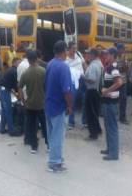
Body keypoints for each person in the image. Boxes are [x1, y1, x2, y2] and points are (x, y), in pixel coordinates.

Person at [45, 40, 72, 173]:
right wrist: (69, 105)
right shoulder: (64, 67)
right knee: (57, 136)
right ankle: (54, 163)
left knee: (52, 135)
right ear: (64, 51)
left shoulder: (50, 64)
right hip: (58, 106)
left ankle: (57, 159)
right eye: (67, 50)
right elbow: (66, 90)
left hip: (49, 104)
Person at [19, 49, 48, 154]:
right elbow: (48, 86)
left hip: (30, 105)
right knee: (45, 125)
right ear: (36, 58)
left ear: (28, 60)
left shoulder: (25, 73)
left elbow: (20, 88)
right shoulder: (43, 71)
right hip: (42, 104)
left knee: (31, 127)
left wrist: (23, 101)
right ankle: (48, 145)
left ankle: (34, 147)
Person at [100, 47, 123, 161]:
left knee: (112, 127)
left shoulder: (113, 68)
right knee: (108, 126)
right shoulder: (109, 67)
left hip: (111, 102)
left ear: (113, 55)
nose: (106, 56)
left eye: (108, 54)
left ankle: (113, 153)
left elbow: (119, 82)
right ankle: (110, 149)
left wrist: (107, 91)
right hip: (108, 101)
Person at [83, 48, 104, 140]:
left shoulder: (93, 66)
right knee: (95, 111)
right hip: (97, 90)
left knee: (90, 113)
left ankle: (93, 134)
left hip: (91, 91)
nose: (87, 55)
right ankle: (98, 129)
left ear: (93, 55)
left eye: (88, 54)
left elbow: (92, 79)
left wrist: (83, 77)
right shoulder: (99, 63)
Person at [0, 58, 21, 136]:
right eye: (19, 62)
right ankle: (11, 131)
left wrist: (15, 93)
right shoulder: (14, 71)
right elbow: (16, 85)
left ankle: (2, 129)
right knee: (8, 111)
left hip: (1, 90)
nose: (20, 64)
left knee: (4, 111)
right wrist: (19, 94)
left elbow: (9, 84)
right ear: (15, 63)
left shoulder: (10, 70)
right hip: (4, 92)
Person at [65, 41, 86, 129]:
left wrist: (87, 73)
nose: (75, 50)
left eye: (75, 48)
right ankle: (71, 122)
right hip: (73, 82)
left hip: (82, 80)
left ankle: (85, 121)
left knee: (85, 100)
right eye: (73, 48)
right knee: (72, 102)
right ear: (68, 49)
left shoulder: (78, 54)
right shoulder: (66, 60)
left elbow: (84, 64)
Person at [115, 43, 129, 125]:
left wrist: (124, 64)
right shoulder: (114, 57)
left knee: (123, 99)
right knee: (114, 98)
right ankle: (115, 115)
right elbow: (114, 68)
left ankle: (122, 117)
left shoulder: (125, 57)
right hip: (116, 81)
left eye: (123, 49)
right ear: (118, 49)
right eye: (121, 49)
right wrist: (121, 68)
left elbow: (126, 69)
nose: (123, 50)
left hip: (123, 81)